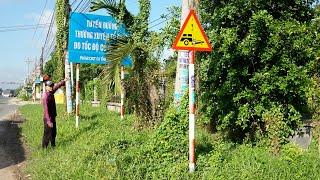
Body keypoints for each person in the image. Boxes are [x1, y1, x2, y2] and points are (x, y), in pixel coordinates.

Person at [42, 79, 65, 148]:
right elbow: (46, 110)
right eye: (50, 86)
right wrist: (49, 121)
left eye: (52, 86)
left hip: (53, 117)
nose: (51, 87)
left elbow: (57, 86)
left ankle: (53, 146)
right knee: (47, 134)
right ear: (46, 87)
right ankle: (44, 148)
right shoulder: (45, 96)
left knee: (54, 133)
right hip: (47, 118)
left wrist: (63, 81)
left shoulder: (51, 92)